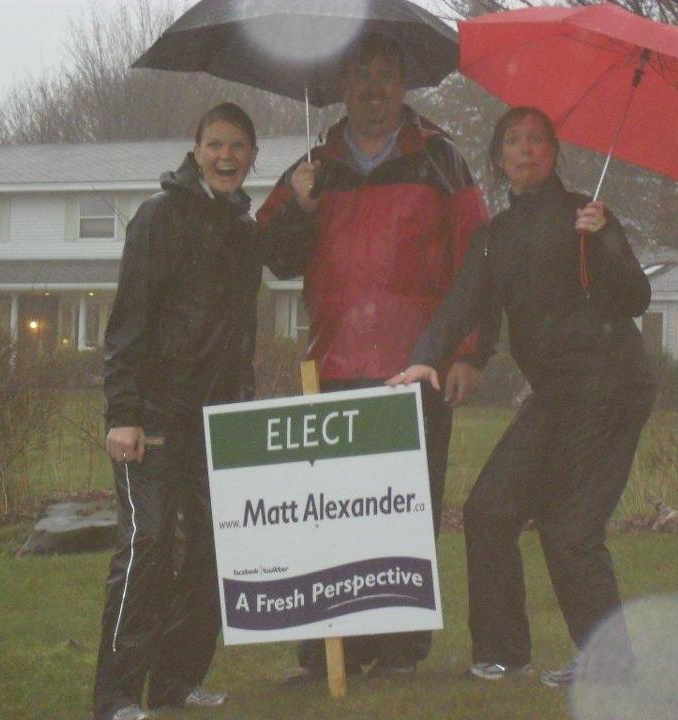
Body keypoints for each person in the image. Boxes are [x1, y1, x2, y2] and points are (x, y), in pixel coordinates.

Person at [388, 106, 656, 685]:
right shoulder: (494, 237)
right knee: (489, 509)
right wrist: (424, 357)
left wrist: (606, 239)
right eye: (513, 141)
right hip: (556, 393)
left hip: (611, 385)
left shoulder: (587, 216)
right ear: (498, 157)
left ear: (553, 153)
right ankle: (503, 654)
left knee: (571, 528)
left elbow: (636, 297)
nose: (526, 149)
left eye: (537, 140)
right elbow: (464, 302)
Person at [257, 32, 492, 678]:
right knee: (332, 513)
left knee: (406, 512)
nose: (373, 88)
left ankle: (398, 648)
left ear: (404, 85)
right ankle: (331, 650)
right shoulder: (313, 166)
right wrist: (300, 206)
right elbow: (274, 258)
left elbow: (479, 261)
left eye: (386, 74)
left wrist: (469, 353)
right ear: (342, 86)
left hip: (416, 366)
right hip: (333, 365)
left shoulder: (442, 159)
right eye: (361, 75)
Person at [93, 103, 262, 720]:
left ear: (252, 157)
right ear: (196, 152)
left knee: (214, 549)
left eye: (238, 146)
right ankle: (116, 697)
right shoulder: (158, 217)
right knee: (149, 546)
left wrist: (241, 405)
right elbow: (128, 322)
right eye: (215, 144)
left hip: (217, 421)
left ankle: (176, 684)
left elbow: (244, 326)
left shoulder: (245, 232)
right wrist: (124, 413)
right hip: (153, 418)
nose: (226, 156)